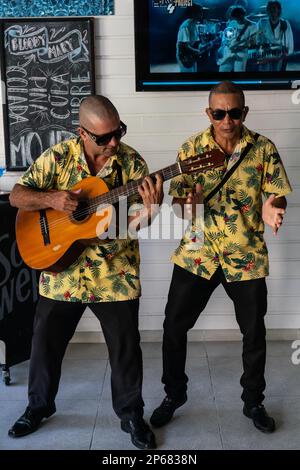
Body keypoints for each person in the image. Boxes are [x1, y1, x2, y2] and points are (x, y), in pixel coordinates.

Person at [8, 95, 163, 450]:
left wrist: (151, 213)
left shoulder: (131, 163)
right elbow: (18, 195)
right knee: (45, 342)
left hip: (114, 274)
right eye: (104, 137)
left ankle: (130, 415)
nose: (114, 143)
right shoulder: (57, 158)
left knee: (125, 347)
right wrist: (52, 200)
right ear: (82, 132)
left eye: (118, 132)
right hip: (61, 272)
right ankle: (38, 407)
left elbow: (134, 223)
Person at [150, 81, 292, 434]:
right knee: (173, 326)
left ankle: (253, 401)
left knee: (254, 332)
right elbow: (179, 203)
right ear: (208, 113)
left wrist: (274, 207)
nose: (227, 120)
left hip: (245, 255)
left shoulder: (263, 149)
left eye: (234, 112)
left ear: (245, 112)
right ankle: (174, 394)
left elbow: (277, 194)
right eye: (219, 113)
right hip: (198, 253)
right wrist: (190, 205)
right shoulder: (191, 148)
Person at [217, 5, 257, 72]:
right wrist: (227, 45)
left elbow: (252, 42)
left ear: (243, 15)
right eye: (235, 19)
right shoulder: (232, 23)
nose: (237, 21)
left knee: (239, 73)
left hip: (241, 53)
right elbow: (227, 37)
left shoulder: (253, 25)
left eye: (239, 18)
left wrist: (240, 47)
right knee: (222, 70)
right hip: (228, 52)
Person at [256, 1, 294, 72]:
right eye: (270, 8)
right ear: (267, 10)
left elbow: (290, 40)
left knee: (277, 76)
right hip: (266, 55)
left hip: (280, 55)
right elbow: (258, 39)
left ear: (278, 10)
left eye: (274, 8)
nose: (272, 11)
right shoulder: (262, 22)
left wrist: (288, 53)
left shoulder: (285, 23)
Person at [176, 3, 214, 72]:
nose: (202, 14)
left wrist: (206, 46)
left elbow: (196, 43)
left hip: (191, 55)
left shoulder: (195, 24)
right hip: (184, 57)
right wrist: (197, 51)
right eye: (200, 12)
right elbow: (184, 45)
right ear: (193, 13)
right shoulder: (186, 26)